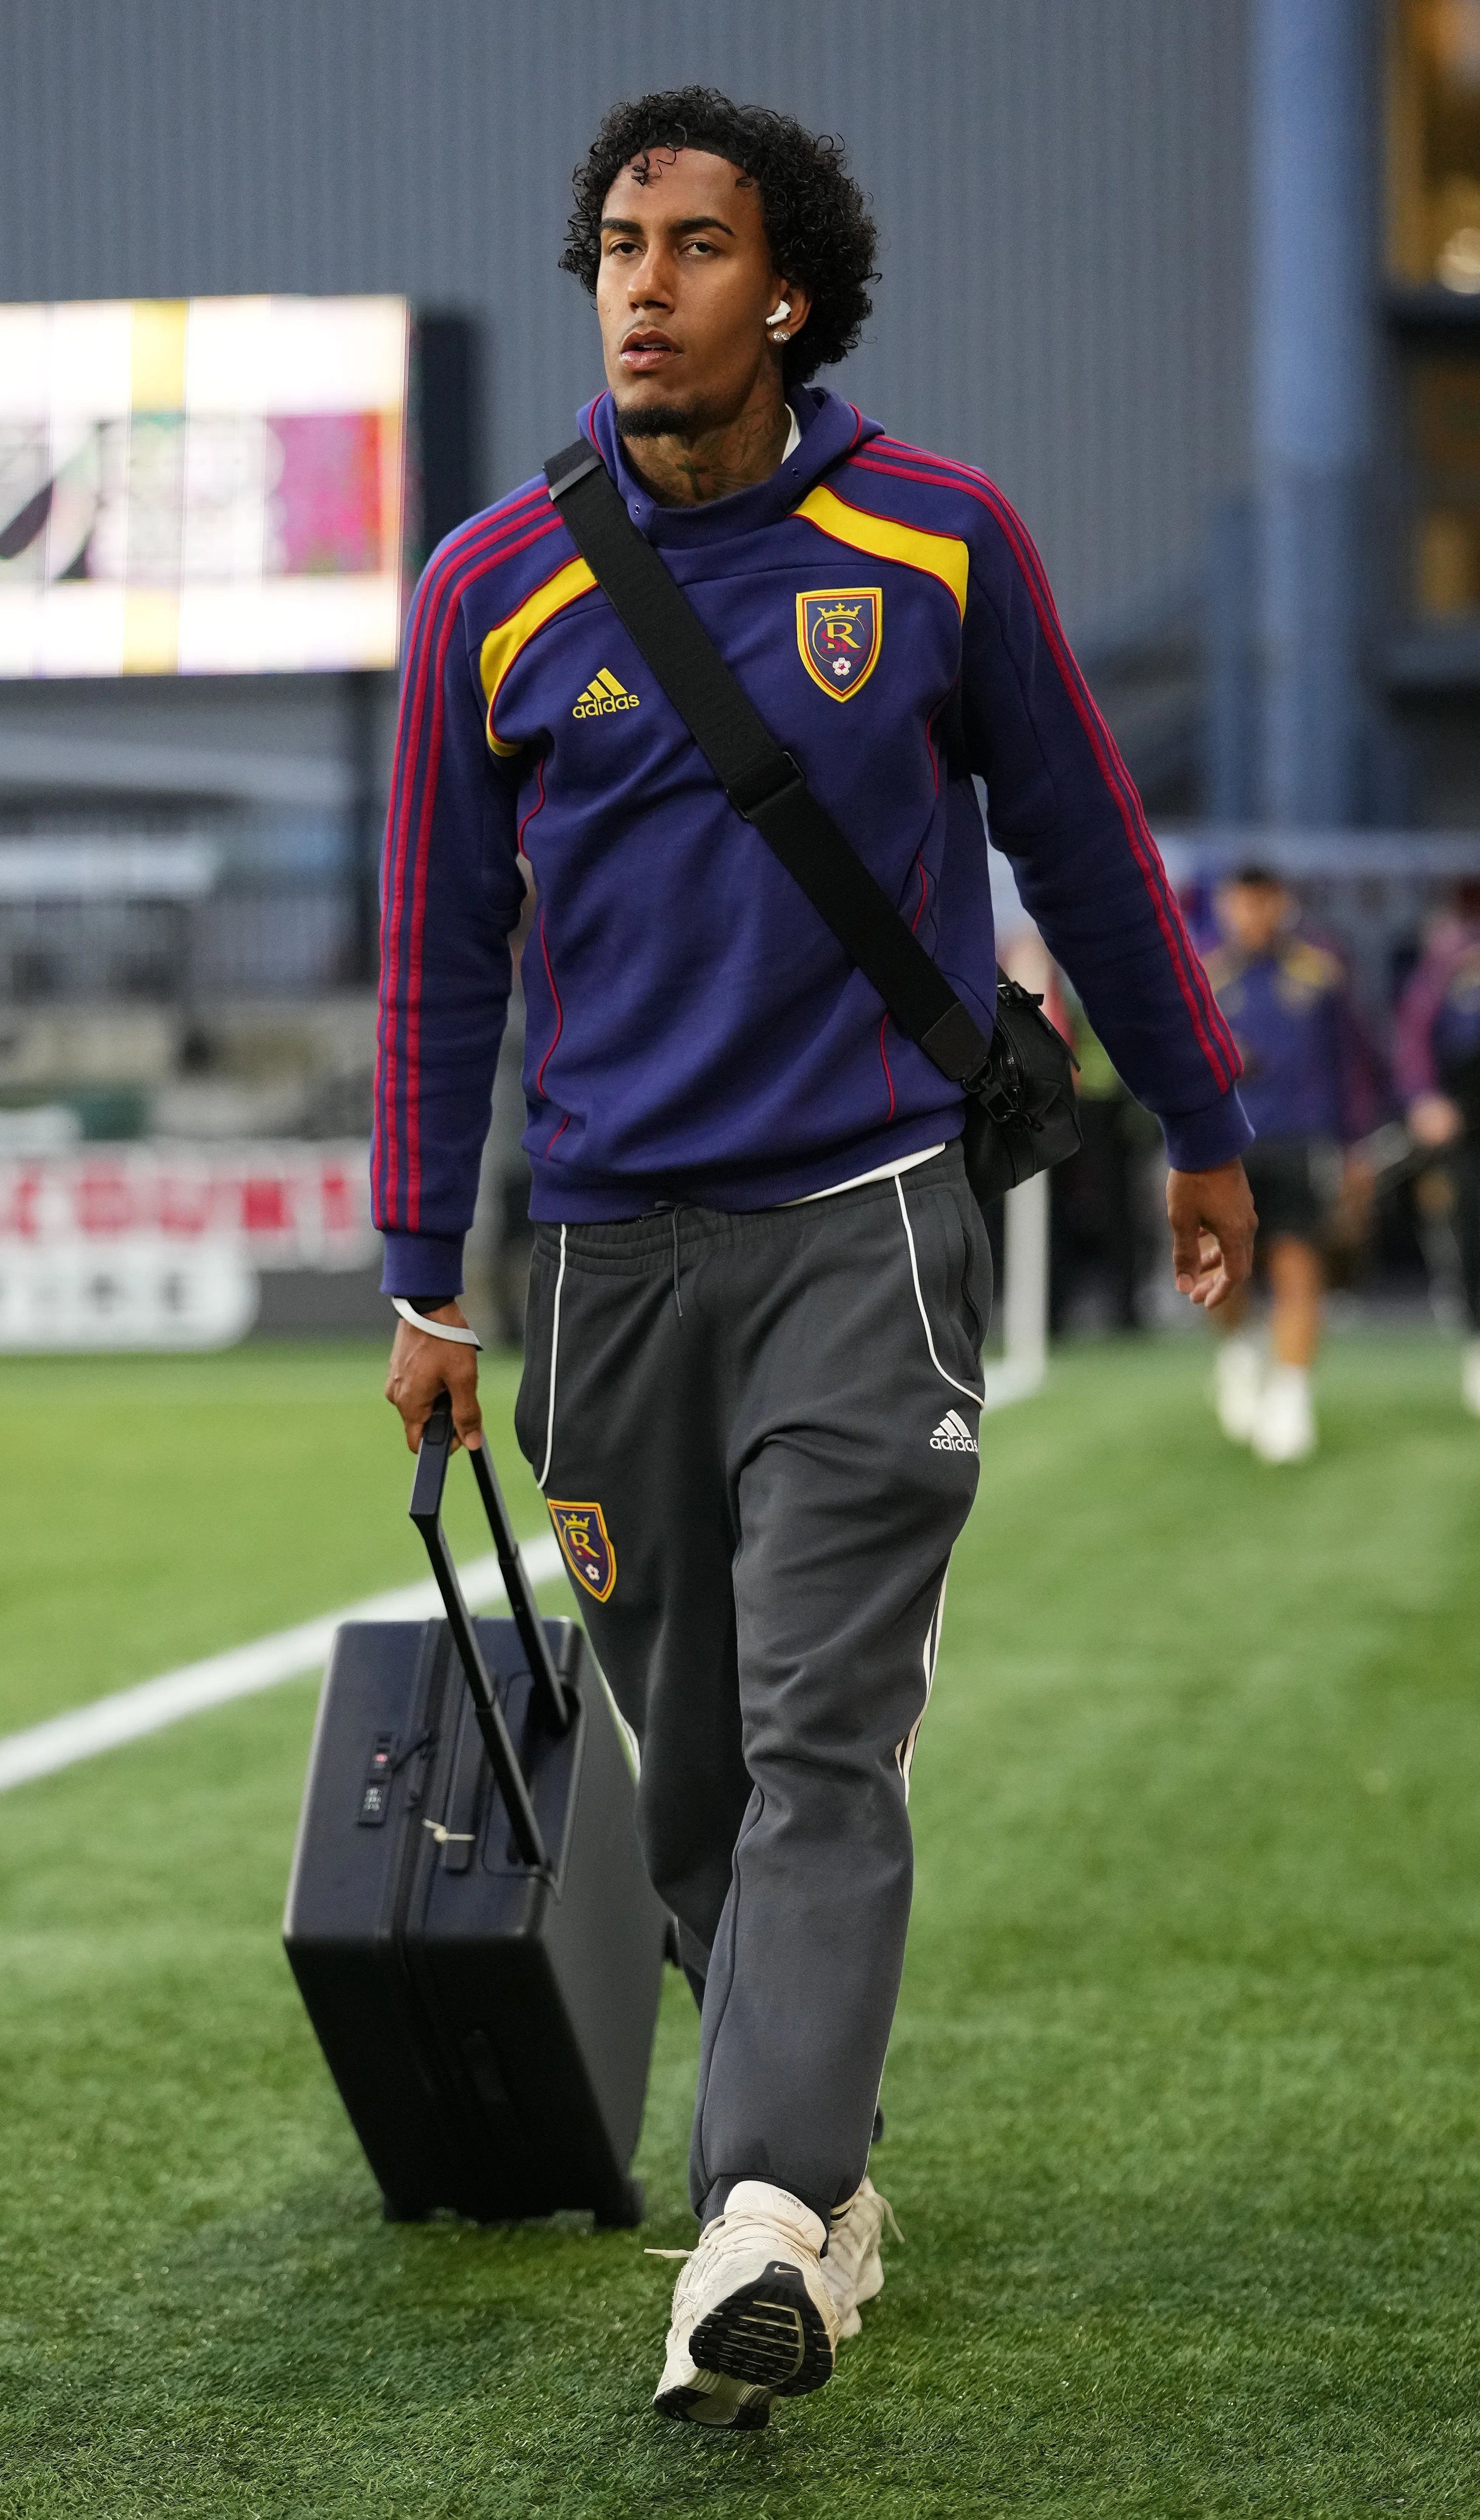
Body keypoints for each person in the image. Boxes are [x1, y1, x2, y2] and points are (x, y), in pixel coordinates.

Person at [372, 89, 1254, 2430]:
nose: (641, 285)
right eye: (615, 246)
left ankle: (756, 2217)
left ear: (789, 292)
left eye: (693, 247)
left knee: (819, 1741)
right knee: (688, 1784)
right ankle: (822, 2182)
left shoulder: (940, 542)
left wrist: (1199, 1119)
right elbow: (436, 959)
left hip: (867, 1228)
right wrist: (423, 1277)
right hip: (599, 1271)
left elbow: (1083, 839)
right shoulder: (485, 588)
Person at [1201, 870, 1378, 1462]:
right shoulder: (1205, 977)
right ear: (1226, 906)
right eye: (1240, 901)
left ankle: (1293, 1394)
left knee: (1298, 1262)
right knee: (1224, 1271)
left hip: (1303, 1143)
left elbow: (1352, 1063)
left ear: (1281, 903)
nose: (1251, 913)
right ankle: (1239, 1353)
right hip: (1225, 1146)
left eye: (1262, 900)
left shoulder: (1320, 973)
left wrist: (1358, 1149)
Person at [1395, 878, 1480, 1415]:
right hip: (1470, 1114)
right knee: (1473, 1228)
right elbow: (1415, 1032)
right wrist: (1425, 1097)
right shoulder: (1454, 961)